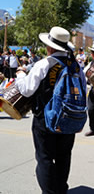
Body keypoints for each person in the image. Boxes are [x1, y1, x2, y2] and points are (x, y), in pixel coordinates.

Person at [15, 26, 86, 193]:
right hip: (69, 118)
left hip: (45, 118)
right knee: (64, 157)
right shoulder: (76, 66)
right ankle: (61, 188)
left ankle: (49, 192)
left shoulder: (44, 64)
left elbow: (26, 90)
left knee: (45, 158)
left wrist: (20, 75)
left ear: (50, 47)